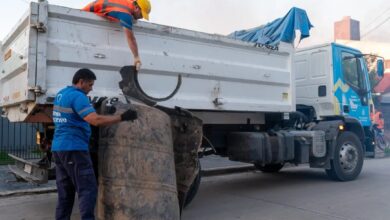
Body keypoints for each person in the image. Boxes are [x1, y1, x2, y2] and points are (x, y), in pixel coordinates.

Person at [52, 68, 137, 220]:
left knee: (65, 193)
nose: (91, 88)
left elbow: (72, 114)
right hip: (75, 149)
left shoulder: (62, 94)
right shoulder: (79, 97)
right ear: (81, 82)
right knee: (87, 189)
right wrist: (122, 117)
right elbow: (95, 120)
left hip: (59, 149)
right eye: (90, 85)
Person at [82, 0, 152, 70]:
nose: (142, 17)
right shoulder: (125, 14)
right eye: (141, 14)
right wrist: (137, 58)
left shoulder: (129, 3)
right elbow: (131, 39)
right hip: (85, 14)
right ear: (136, 7)